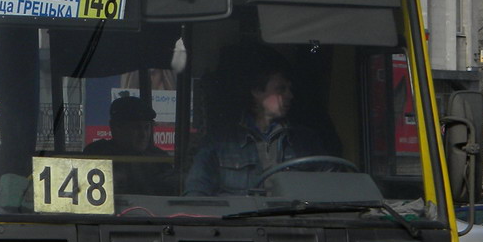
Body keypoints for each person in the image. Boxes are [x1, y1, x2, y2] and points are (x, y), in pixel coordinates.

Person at [184, 47, 332, 196]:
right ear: (256, 91)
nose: (290, 95)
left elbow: (331, 187)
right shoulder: (219, 142)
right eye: (281, 89)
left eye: (290, 89)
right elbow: (196, 193)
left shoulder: (306, 141)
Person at [84, 93, 173, 194]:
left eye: (147, 127)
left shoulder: (158, 158)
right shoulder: (98, 153)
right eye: (136, 127)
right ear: (116, 127)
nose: (143, 134)